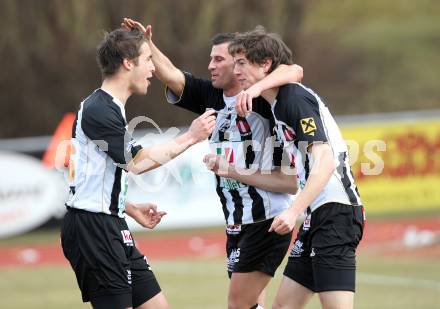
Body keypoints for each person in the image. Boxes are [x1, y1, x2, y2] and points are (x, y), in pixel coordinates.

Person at [122, 19, 302, 309]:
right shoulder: (211, 95)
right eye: (210, 59)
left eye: (220, 59)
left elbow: (293, 70)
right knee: (251, 303)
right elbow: (171, 74)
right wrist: (146, 43)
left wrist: (257, 89)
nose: (211, 65)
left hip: (266, 217)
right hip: (236, 221)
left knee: (238, 304)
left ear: (240, 63)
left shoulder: (264, 97)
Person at [61, 27, 216, 309]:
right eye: (147, 59)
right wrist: (192, 136)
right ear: (127, 63)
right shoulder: (99, 109)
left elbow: (92, 176)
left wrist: (128, 207)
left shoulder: (109, 107)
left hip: (111, 222)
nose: (152, 68)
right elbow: (139, 162)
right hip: (93, 230)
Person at [229, 27, 365, 309]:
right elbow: (293, 69)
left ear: (265, 64)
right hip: (315, 215)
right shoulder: (277, 102)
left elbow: (325, 161)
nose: (235, 70)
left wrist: (292, 211)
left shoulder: (293, 99)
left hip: (336, 212)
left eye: (242, 63)